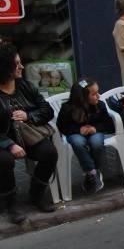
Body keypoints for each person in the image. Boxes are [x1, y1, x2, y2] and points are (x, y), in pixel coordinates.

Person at [0, 42, 58, 222]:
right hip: (3, 141)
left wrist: (28, 115)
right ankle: (10, 204)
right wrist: (9, 145)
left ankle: (37, 194)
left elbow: (47, 110)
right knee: (5, 160)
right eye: (17, 64)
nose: (21, 67)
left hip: (27, 136)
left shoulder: (25, 86)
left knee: (49, 152)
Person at [56, 78, 115, 193]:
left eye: (98, 92)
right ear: (82, 97)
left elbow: (109, 125)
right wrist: (78, 129)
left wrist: (95, 128)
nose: (98, 96)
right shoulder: (67, 108)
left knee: (97, 143)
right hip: (75, 133)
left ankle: (92, 173)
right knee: (78, 142)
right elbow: (62, 126)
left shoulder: (100, 105)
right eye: (94, 94)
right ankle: (92, 171)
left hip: (96, 132)